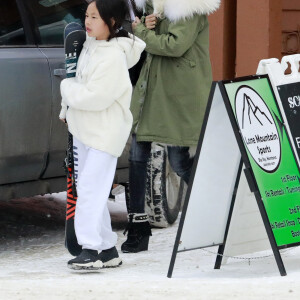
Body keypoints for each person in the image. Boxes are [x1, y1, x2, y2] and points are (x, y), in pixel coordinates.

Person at [121, 0, 220, 253]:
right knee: (137, 152)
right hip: (153, 89)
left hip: (178, 94)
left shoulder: (187, 6)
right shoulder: (156, 7)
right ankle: (138, 226)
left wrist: (141, 31)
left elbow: (175, 46)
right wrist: (146, 24)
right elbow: (151, 40)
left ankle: (223, 206)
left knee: (179, 161)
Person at [59, 0, 145, 270]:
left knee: (90, 191)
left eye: (95, 17)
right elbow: (81, 80)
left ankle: (91, 249)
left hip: (104, 132)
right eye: (86, 15)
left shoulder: (112, 57)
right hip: (85, 129)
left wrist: (65, 89)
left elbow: (96, 97)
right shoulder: (90, 46)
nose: (88, 21)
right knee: (90, 189)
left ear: (112, 22)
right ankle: (107, 248)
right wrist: (66, 109)